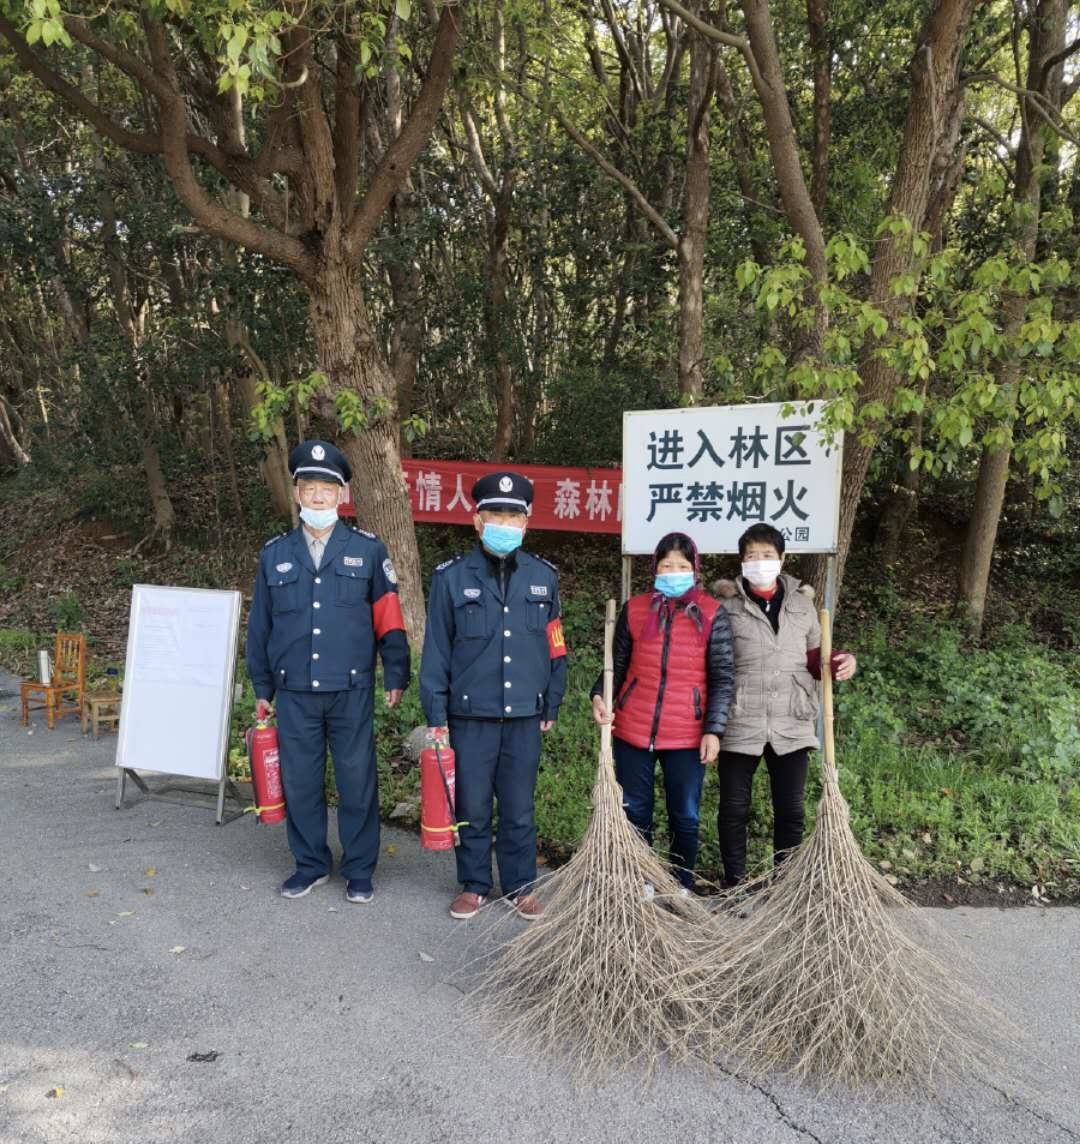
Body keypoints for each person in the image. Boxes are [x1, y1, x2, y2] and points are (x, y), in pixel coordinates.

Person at [246, 440, 410, 903]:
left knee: (357, 781)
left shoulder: (367, 550)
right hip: (295, 690)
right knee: (301, 781)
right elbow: (261, 626)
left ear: (343, 494)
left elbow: (389, 615)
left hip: (350, 689)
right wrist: (262, 686)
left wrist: (395, 672)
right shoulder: (275, 554)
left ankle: (359, 869)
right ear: (297, 492)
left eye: (327, 489)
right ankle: (310, 864)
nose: (318, 497)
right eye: (309, 488)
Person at [419, 471, 567, 921]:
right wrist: (436, 714)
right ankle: (474, 884)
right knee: (473, 806)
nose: (504, 523)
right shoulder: (451, 578)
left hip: (524, 714)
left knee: (519, 807)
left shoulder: (543, 577)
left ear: (526, 522)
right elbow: (437, 649)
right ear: (478, 521)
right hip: (471, 715)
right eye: (495, 515)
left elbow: (555, 645)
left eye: (513, 516)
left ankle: (520, 886)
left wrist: (552, 700)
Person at [713, 522, 856, 886]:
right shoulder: (726, 608)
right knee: (733, 808)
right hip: (740, 718)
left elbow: (815, 657)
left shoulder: (803, 606)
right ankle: (735, 883)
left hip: (792, 719)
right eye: (751, 556)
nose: (759, 562)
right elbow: (714, 663)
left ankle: (785, 883)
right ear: (741, 561)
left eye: (766, 555)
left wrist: (841, 661)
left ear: (782, 558)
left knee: (790, 809)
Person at [591, 532, 734, 892]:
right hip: (632, 727)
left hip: (687, 733)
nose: (673, 572)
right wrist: (599, 695)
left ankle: (679, 883)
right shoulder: (636, 609)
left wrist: (714, 730)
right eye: (666, 565)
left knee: (684, 814)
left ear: (694, 570)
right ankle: (643, 880)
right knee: (635, 810)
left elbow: (723, 678)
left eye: (681, 566)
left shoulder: (711, 613)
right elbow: (615, 664)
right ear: (655, 568)